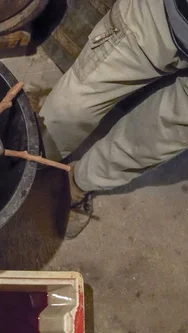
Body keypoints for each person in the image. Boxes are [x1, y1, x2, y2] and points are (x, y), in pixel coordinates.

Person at [39, 0, 188, 238]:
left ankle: (78, 185)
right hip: (163, 13)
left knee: (154, 141)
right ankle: (31, 163)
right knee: (72, 106)